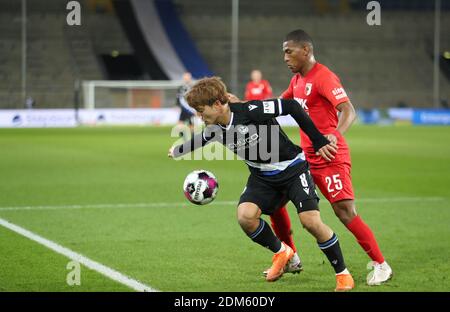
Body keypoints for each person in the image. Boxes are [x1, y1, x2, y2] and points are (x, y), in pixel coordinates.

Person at [169, 77, 354, 291]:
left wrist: (318, 140)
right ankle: (282, 252)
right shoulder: (216, 127)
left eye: (201, 111)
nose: (200, 116)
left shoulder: (251, 110)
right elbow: (202, 139)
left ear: (218, 105)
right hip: (262, 177)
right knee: (245, 217)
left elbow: (292, 106)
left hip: (293, 168)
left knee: (310, 222)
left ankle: (342, 273)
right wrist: (178, 150)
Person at [269, 29, 392, 286]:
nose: (285, 57)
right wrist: (248, 110)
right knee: (276, 200)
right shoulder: (297, 81)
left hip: (329, 156)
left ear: (306, 50)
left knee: (344, 212)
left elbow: (349, 110)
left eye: (288, 51)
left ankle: (381, 264)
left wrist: (335, 135)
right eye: (283, 52)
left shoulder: (323, 77)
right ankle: (290, 256)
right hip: (305, 158)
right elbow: (279, 104)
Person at [176, 72, 196, 140]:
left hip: (190, 108)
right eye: (185, 78)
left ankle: (192, 137)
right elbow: (178, 97)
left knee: (191, 123)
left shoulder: (192, 87)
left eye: (187, 77)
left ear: (190, 78)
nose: (186, 79)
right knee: (180, 123)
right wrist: (177, 105)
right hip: (183, 108)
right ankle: (183, 136)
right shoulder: (181, 87)